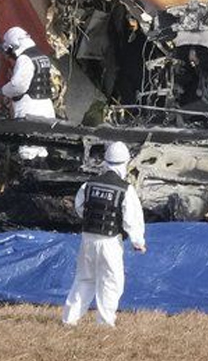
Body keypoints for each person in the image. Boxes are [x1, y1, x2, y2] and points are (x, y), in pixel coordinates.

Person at [60, 140, 145, 327]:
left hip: (87, 240)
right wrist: (138, 241)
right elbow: (132, 218)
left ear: (105, 161)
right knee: (111, 282)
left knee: (84, 279)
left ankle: (69, 319)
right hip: (110, 242)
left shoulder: (88, 185)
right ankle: (105, 322)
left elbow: (80, 207)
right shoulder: (125, 189)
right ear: (125, 163)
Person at [0, 26, 59, 160]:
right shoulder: (42, 55)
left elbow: (18, 86)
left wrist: (3, 90)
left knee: (28, 152)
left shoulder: (25, 59)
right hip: (46, 107)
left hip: (30, 109)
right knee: (42, 149)